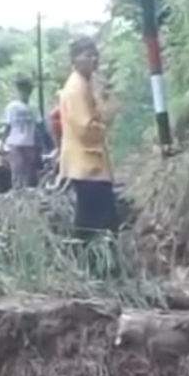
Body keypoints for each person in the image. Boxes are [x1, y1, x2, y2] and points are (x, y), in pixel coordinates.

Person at [58, 36, 120, 258]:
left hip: (89, 162)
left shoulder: (85, 84)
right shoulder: (76, 88)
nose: (93, 59)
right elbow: (85, 127)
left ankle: (94, 264)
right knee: (96, 220)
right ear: (75, 59)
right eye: (87, 55)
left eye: (94, 54)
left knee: (96, 218)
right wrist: (103, 126)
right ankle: (92, 265)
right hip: (86, 163)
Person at [0, 76, 40, 189]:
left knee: (29, 172)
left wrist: (38, 145)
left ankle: (26, 196)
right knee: (17, 169)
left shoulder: (33, 107)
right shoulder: (12, 107)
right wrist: (2, 144)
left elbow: (37, 126)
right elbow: (7, 125)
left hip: (29, 143)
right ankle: (17, 193)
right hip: (14, 143)